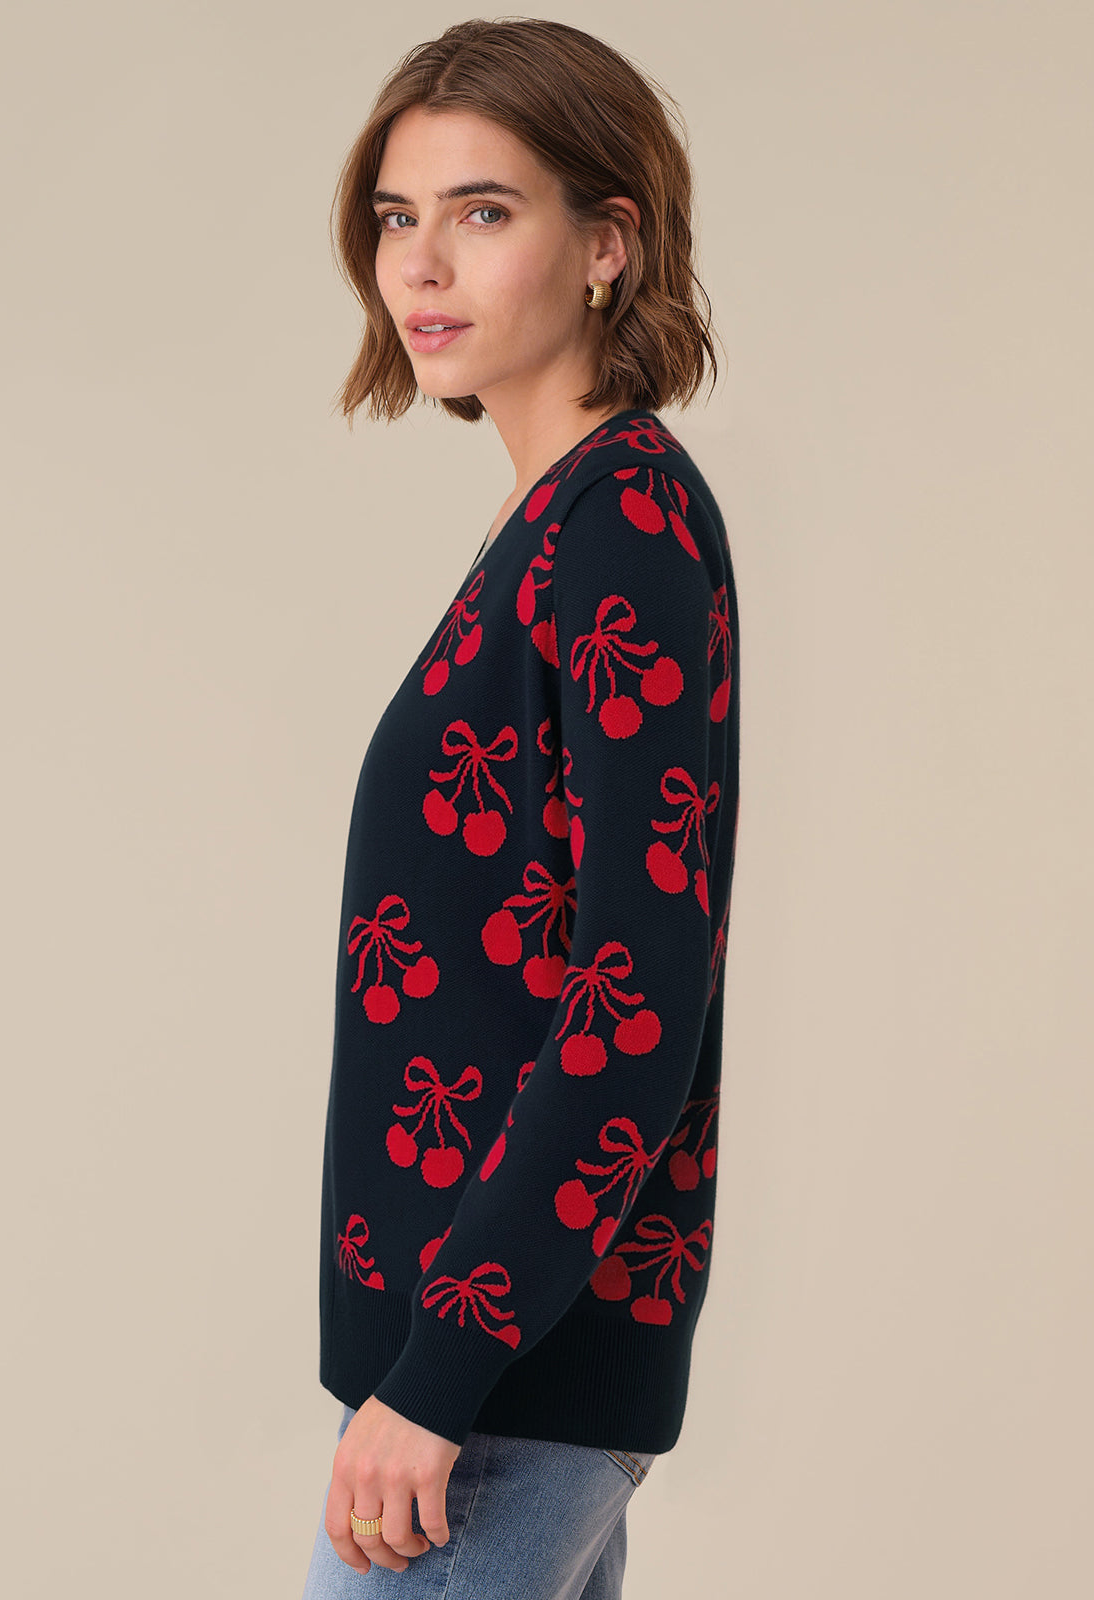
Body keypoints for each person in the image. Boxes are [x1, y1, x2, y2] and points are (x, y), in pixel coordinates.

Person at [302, 18, 740, 1598]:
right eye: (396, 218)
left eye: (482, 212)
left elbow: (639, 993)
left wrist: (437, 1378)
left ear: (608, 242)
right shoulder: (552, 519)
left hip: (493, 1380)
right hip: (481, 1369)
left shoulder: (620, 522)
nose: (421, 265)